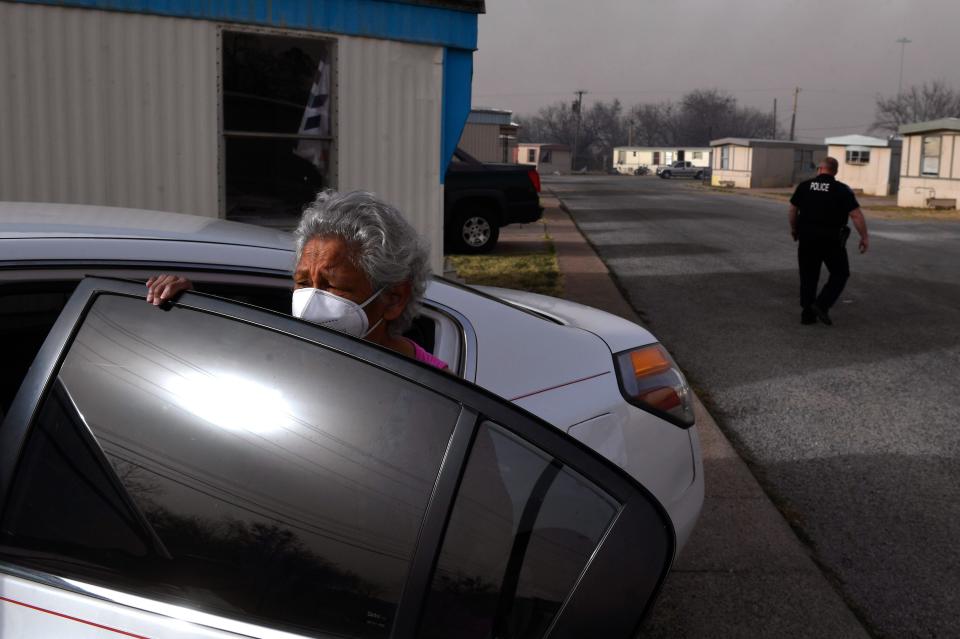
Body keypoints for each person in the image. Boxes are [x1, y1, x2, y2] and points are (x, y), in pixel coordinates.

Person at [146, 190, 448, 370]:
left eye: (332, 285)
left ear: (393, 299)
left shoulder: (437, 392)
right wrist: (186, 306)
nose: (310, 301)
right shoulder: (284, 354)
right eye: (303, 282)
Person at [788, 156, 869, 326]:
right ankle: (822, 304)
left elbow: (793, 210)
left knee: (808, 276)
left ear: (819, 169)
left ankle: (807, 314)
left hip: (807, 238)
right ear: (835, 171)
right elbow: (855, 215)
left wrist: (795, 229)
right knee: (840, 273)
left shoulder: (804, 186)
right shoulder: (842, 189)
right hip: (831, 240)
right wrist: (864, 236)